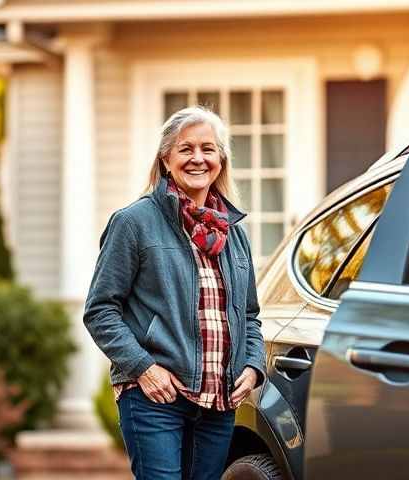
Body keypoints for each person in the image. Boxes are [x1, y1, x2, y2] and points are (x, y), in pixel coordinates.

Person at [83, 106, 266, 480]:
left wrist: (253, 366)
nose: (198, 158)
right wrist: (144, 369)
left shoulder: (235, 235)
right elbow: (100, 310)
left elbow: (249, 315)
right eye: (186, 149)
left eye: (208, 149)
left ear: (221, 160)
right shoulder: (134, 222)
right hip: (155, 397)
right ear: (166, 160)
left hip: (218, 401)